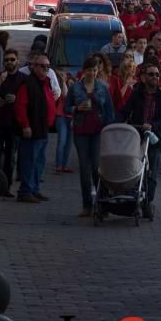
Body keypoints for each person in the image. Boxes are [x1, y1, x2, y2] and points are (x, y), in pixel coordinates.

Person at [65, 56, 114, 216]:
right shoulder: (75, 88)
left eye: (94, 70)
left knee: (97, 167)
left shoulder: (103, 87)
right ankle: (87, 205)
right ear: (84, 71)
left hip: (97, 130)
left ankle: (103, 203)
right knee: (84, 168)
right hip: (81, 130)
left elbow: (109, 112)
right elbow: (66, 108)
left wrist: (107, 129)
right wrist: (77, 108)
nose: (92, 73)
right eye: (89, 70)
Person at [119, 64, 161, 211]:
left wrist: (152, 125)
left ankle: (148, 202)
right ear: (143, 77)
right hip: (135, 135)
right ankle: (131, 197)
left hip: (153, 137)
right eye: (151, 74)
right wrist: (117, 122)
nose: (154, 77)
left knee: (152, 172)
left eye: (156, 75)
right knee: (132, 168)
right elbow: (125, 110)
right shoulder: (136, 94)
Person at [14, 53, 56, 203]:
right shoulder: (28, 84)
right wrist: (25, 125)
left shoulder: (46, 82)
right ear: (34, 67)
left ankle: (34, 189)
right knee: (29, 161)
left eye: (47, 66)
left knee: (39, 161)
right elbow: (20, 106)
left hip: (43, 129)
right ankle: (25, 191)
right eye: (42, 66)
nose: (45, 69)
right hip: (32, 130)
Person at [0, 48, 26, 195]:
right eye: (6, 60)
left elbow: (27, 100)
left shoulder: (23, 78)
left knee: (10, 158)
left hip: (14, 124)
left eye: (12, 60)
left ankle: (6, 187)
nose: (9, 62)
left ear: (17, 61)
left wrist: (15, 99)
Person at [54, 70, 74, 174]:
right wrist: (63, 82)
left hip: (71, 117)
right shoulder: (61, 87)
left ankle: (65, 165)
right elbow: (65, 95)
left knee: (69, 143)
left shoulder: (75, 88)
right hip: (61, 116)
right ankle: (59, 165)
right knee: (62, 141)